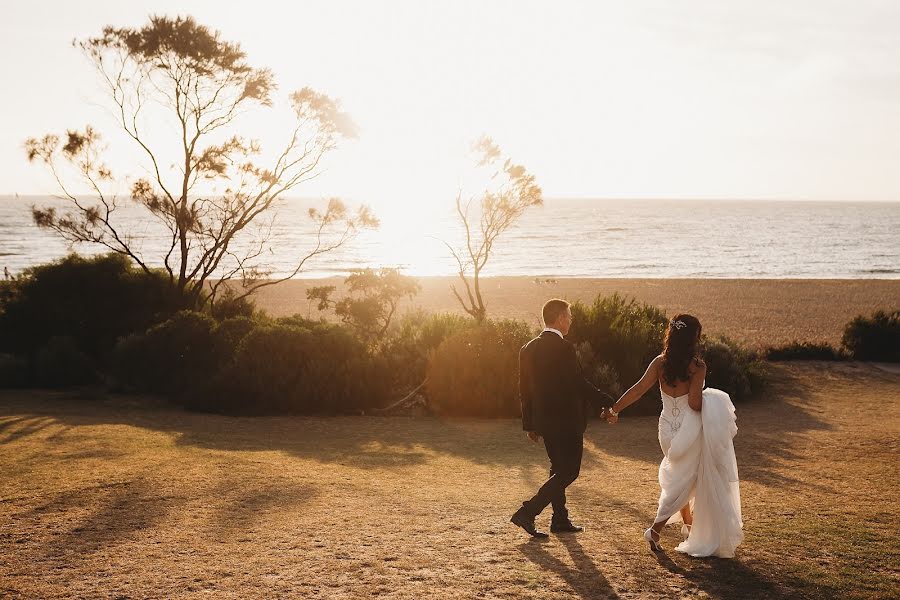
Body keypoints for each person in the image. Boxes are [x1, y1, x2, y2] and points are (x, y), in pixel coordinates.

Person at [608, 314, 743, 557]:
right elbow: (693, 403)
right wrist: (711, 401)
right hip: (688, 430)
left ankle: (689, 525)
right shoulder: (697, 366)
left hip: (666, 430)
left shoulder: (659, 363)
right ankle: (655, 529)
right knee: (686, 481)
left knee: (682, 477)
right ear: (693, 338)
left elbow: (638, 389)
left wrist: (615, 408)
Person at [511, 298, 614, 538]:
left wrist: (530, 424)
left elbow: (523, 390)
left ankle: (560, 519)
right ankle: (529, 511)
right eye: (568, 316)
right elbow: (577, 383)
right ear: (558, 319)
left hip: (545, 423)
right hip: (568, 422)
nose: (570, 320)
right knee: (569, 472)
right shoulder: (564, 348)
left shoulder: (527, 348)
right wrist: (606, 400)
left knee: (558, 469)